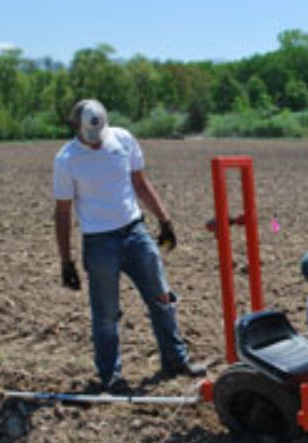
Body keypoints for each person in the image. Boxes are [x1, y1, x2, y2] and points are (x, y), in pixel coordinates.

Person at [53, 99, 205, 392]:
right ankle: (110, 376)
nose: (97, 143)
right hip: (99, 243)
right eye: (90, 137)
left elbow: (139, 182)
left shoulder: (122, 139)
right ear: (77, 127)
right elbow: (62, 212)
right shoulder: (66, 159)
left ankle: (175, 360)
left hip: (135, 233)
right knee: (106, 314)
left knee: (162, 298)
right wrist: (65, 261)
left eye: (99, 135)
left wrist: (164, 219)